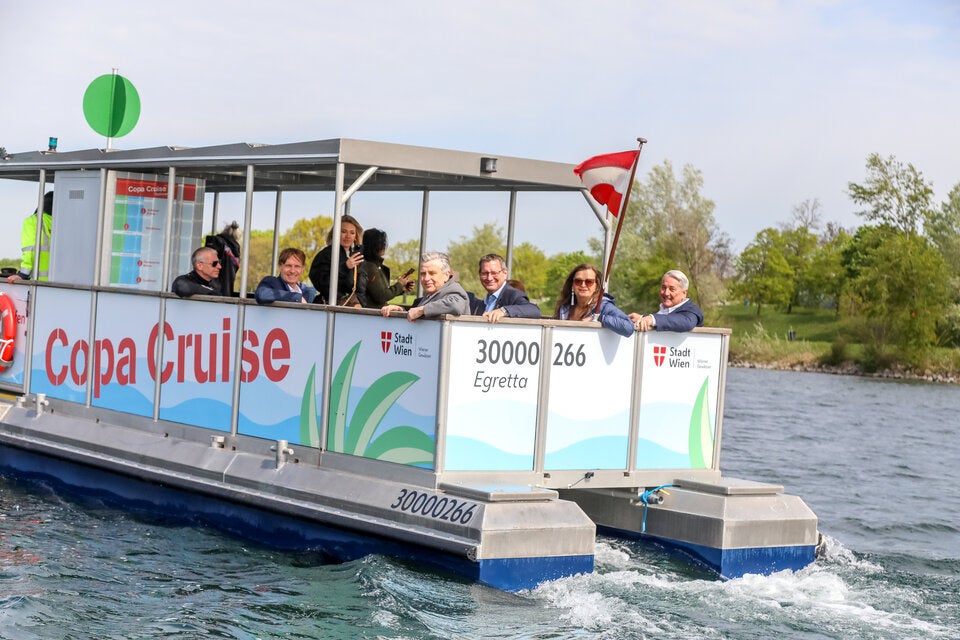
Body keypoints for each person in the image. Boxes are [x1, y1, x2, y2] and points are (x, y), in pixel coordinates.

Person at [380, 252, 469, 322]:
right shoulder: (431, 294)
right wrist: (401, 311)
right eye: (423, 274)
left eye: (432, 273)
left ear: (446, 275)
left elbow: (455, 305)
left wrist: (422, 310)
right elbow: (416, 316)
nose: (426, 278)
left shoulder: (454, 290)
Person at [553, 263, 634, 337]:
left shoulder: (603, 306)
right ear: (572, 285)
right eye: (578, 281)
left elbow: (628, 327)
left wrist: (598, 318)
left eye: (589, 282)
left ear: (597, 286)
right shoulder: (564, 307)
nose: (583, 285)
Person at [468, 254, 541, 323]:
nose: (489, 278)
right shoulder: (484, 302)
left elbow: (534, 310)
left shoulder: (513, 294)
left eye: (494, 273)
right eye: (484, 273)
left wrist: (503, 311)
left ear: (505, 273)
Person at [308, 214, 363, 305]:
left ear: (356, 236)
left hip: (353, 307)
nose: (348, 236)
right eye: (344, 231)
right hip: (330, 306)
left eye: (352, 233)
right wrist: (345, 267)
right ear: (335, 233)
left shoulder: (357, 256)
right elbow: (322, 283)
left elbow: (361, 289)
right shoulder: (325, 255)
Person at [355, 228, 415, 308]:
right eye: (382, 243)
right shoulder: (371, 267)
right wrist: (400, 285)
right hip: (372, 315)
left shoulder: (374, 266)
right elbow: (382, 296)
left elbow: (382, 293)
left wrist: (402, 288)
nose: (384, 246)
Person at [629, 270, 705, 332]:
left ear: (684, 293)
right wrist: (642, 318)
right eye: (663, 288)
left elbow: (685, 322)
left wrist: (652, 319)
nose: (666, 293)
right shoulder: (664, 310)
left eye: (672, 289)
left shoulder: (692, 311)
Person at [7, 191, 54, 284]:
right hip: (63, 285)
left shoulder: (33, 221)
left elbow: (30, 251)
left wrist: (22, 275)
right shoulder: (66, 222)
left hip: (39, 285)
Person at [254, 247, 318, 304]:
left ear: (302, 269)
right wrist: (296, 297)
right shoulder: (272, 282)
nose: (292, 271)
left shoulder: (307, 292)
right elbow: (261, 294)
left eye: (297, 266)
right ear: (280, 266)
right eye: (288, 266)